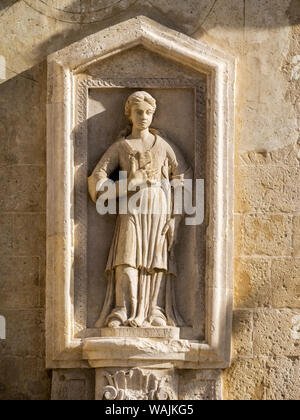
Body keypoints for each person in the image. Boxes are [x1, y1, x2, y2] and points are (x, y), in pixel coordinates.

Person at [88, 91, 190, 328]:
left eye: (148, 112)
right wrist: (128, 184)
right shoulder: (122, 147)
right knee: (126, 259)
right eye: (139, 112)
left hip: (159, 208)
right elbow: (96, 178)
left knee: (157, 259)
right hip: (131, 208)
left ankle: (155, 310)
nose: (144, 116)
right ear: (129, 115)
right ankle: (122, 310)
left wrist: (175, 215)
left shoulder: (164, 147)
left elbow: (182, 175)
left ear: (153, 115)